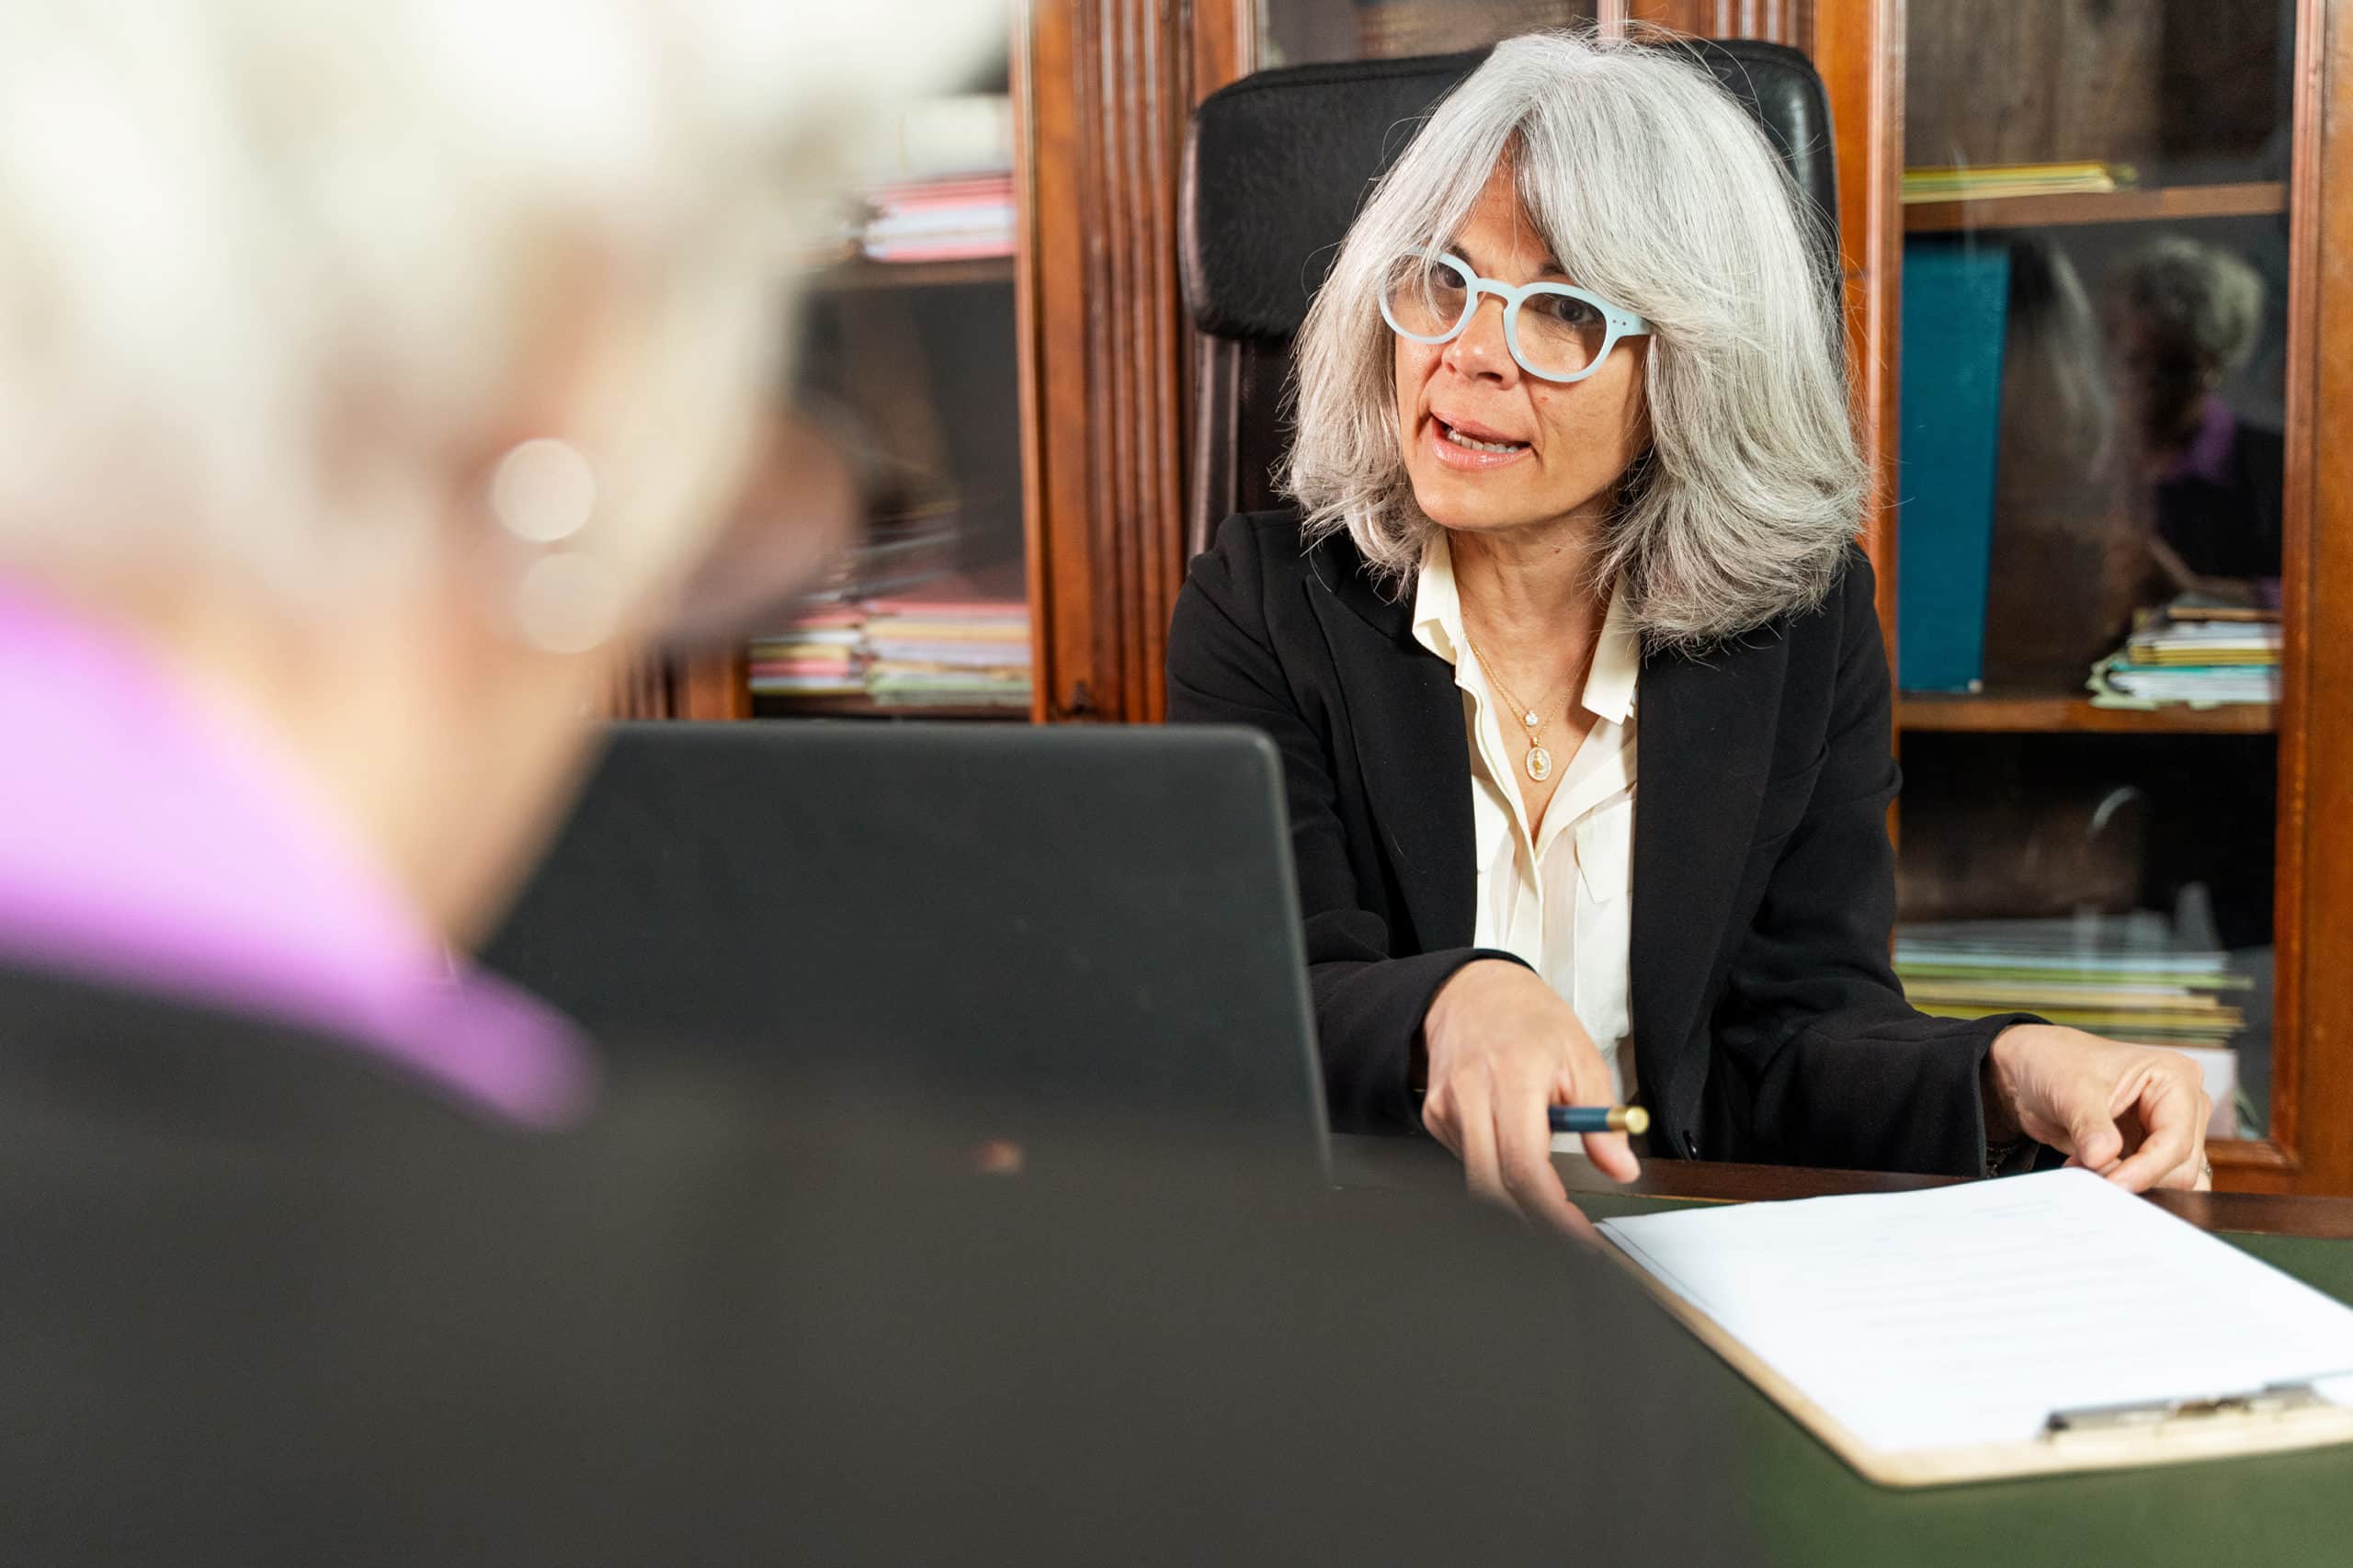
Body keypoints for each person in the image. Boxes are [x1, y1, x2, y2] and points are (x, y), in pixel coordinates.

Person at [1165, 30, 2214, 1232]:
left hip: (1686, 1253)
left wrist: (2007, 1066)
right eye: (1443, 279)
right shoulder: (1262, 602)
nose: (1468, 353)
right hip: (1372, 1257)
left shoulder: (1800, 625)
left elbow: (1797, 1033)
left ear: (1689, 375)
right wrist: (1453, 1003)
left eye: (1557, 311)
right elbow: (1259, 997)